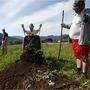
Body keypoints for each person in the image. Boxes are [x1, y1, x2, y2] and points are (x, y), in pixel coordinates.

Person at [61, 0, 90, 78]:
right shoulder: (76, 15)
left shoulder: (87, 14)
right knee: (77, 56)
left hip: (83, 40)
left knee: (84, 57)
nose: (75, 10)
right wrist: (64, 25)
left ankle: (84, 74)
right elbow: (72, 25)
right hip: (74, 40)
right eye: (74, 8)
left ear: (82, 6)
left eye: (76, 8)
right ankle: (78, 70)